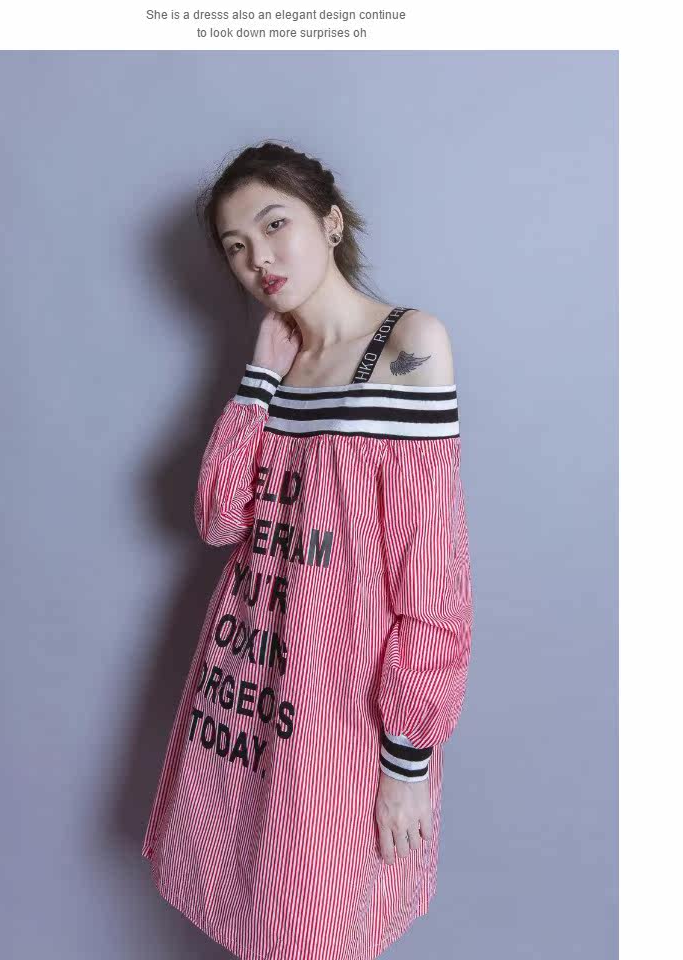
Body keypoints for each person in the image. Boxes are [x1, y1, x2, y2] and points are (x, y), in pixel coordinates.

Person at [142, 142, 474, 960]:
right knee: (253, 918)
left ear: (329, 223)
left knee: (312, 925)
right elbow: (220, 519)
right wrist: (258, 379)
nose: (258, 258)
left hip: (340, 702)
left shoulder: (409, 345)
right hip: (247, 684)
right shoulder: (283, 366)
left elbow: (432, 577)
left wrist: (406, 762)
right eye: (236, 246)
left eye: (274, 224)